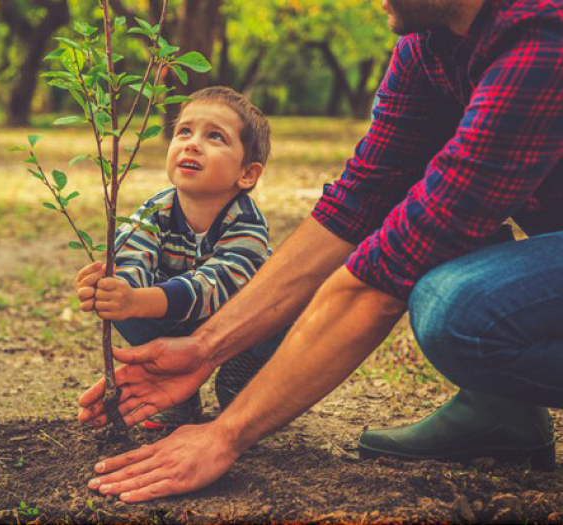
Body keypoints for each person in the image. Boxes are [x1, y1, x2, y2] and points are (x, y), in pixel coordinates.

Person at [76, 0, 563, 503]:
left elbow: (383, 280)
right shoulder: (426, 47)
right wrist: (204, 348)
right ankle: (502, 409)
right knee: (433, 199)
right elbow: (355, 206)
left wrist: (225, 434)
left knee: (456, 308)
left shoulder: (542, 37)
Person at [75, 86, 288, 429]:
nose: (192, 143)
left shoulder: (246, 222)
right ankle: (179, 395)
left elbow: (216, 285)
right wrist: (115, 289)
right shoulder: (156, 210)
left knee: (282, 313)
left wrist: (142, 299)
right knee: (127, 309)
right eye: (184, 132)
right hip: (175, 318)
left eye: (215, 137)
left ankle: (245, 376)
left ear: (247, 173)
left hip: (239, 325)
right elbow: (133, 255)